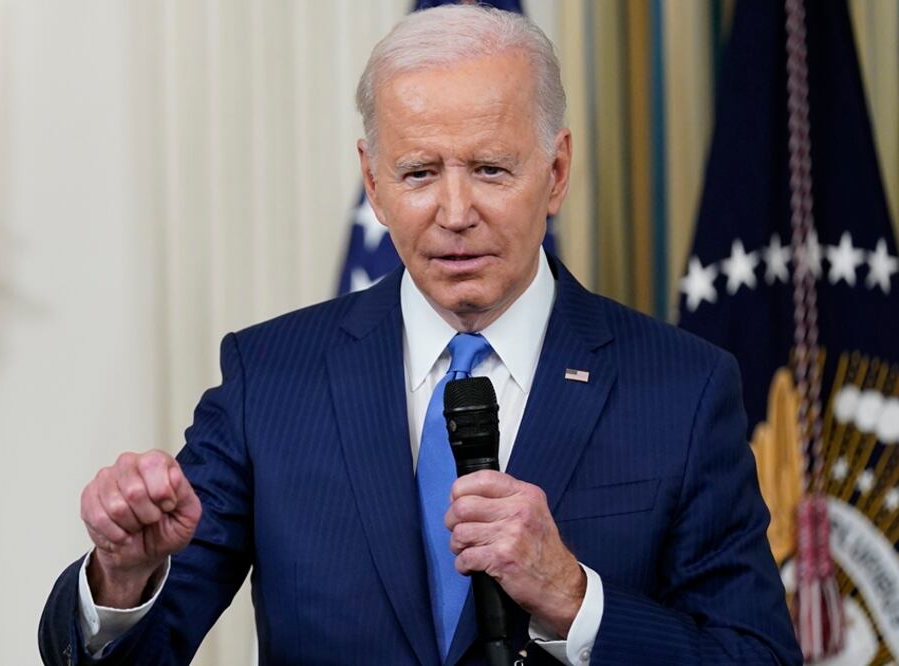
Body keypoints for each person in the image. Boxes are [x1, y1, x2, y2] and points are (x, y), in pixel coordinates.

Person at [39, 5, 801, 665]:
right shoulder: (268, 378)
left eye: (491, 169)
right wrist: (122, 580)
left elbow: (755, 655)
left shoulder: (682, 387)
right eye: (417, 174)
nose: (454, 210)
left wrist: (574, 600)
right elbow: (135, 652)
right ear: (371, 181)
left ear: (557, 170)